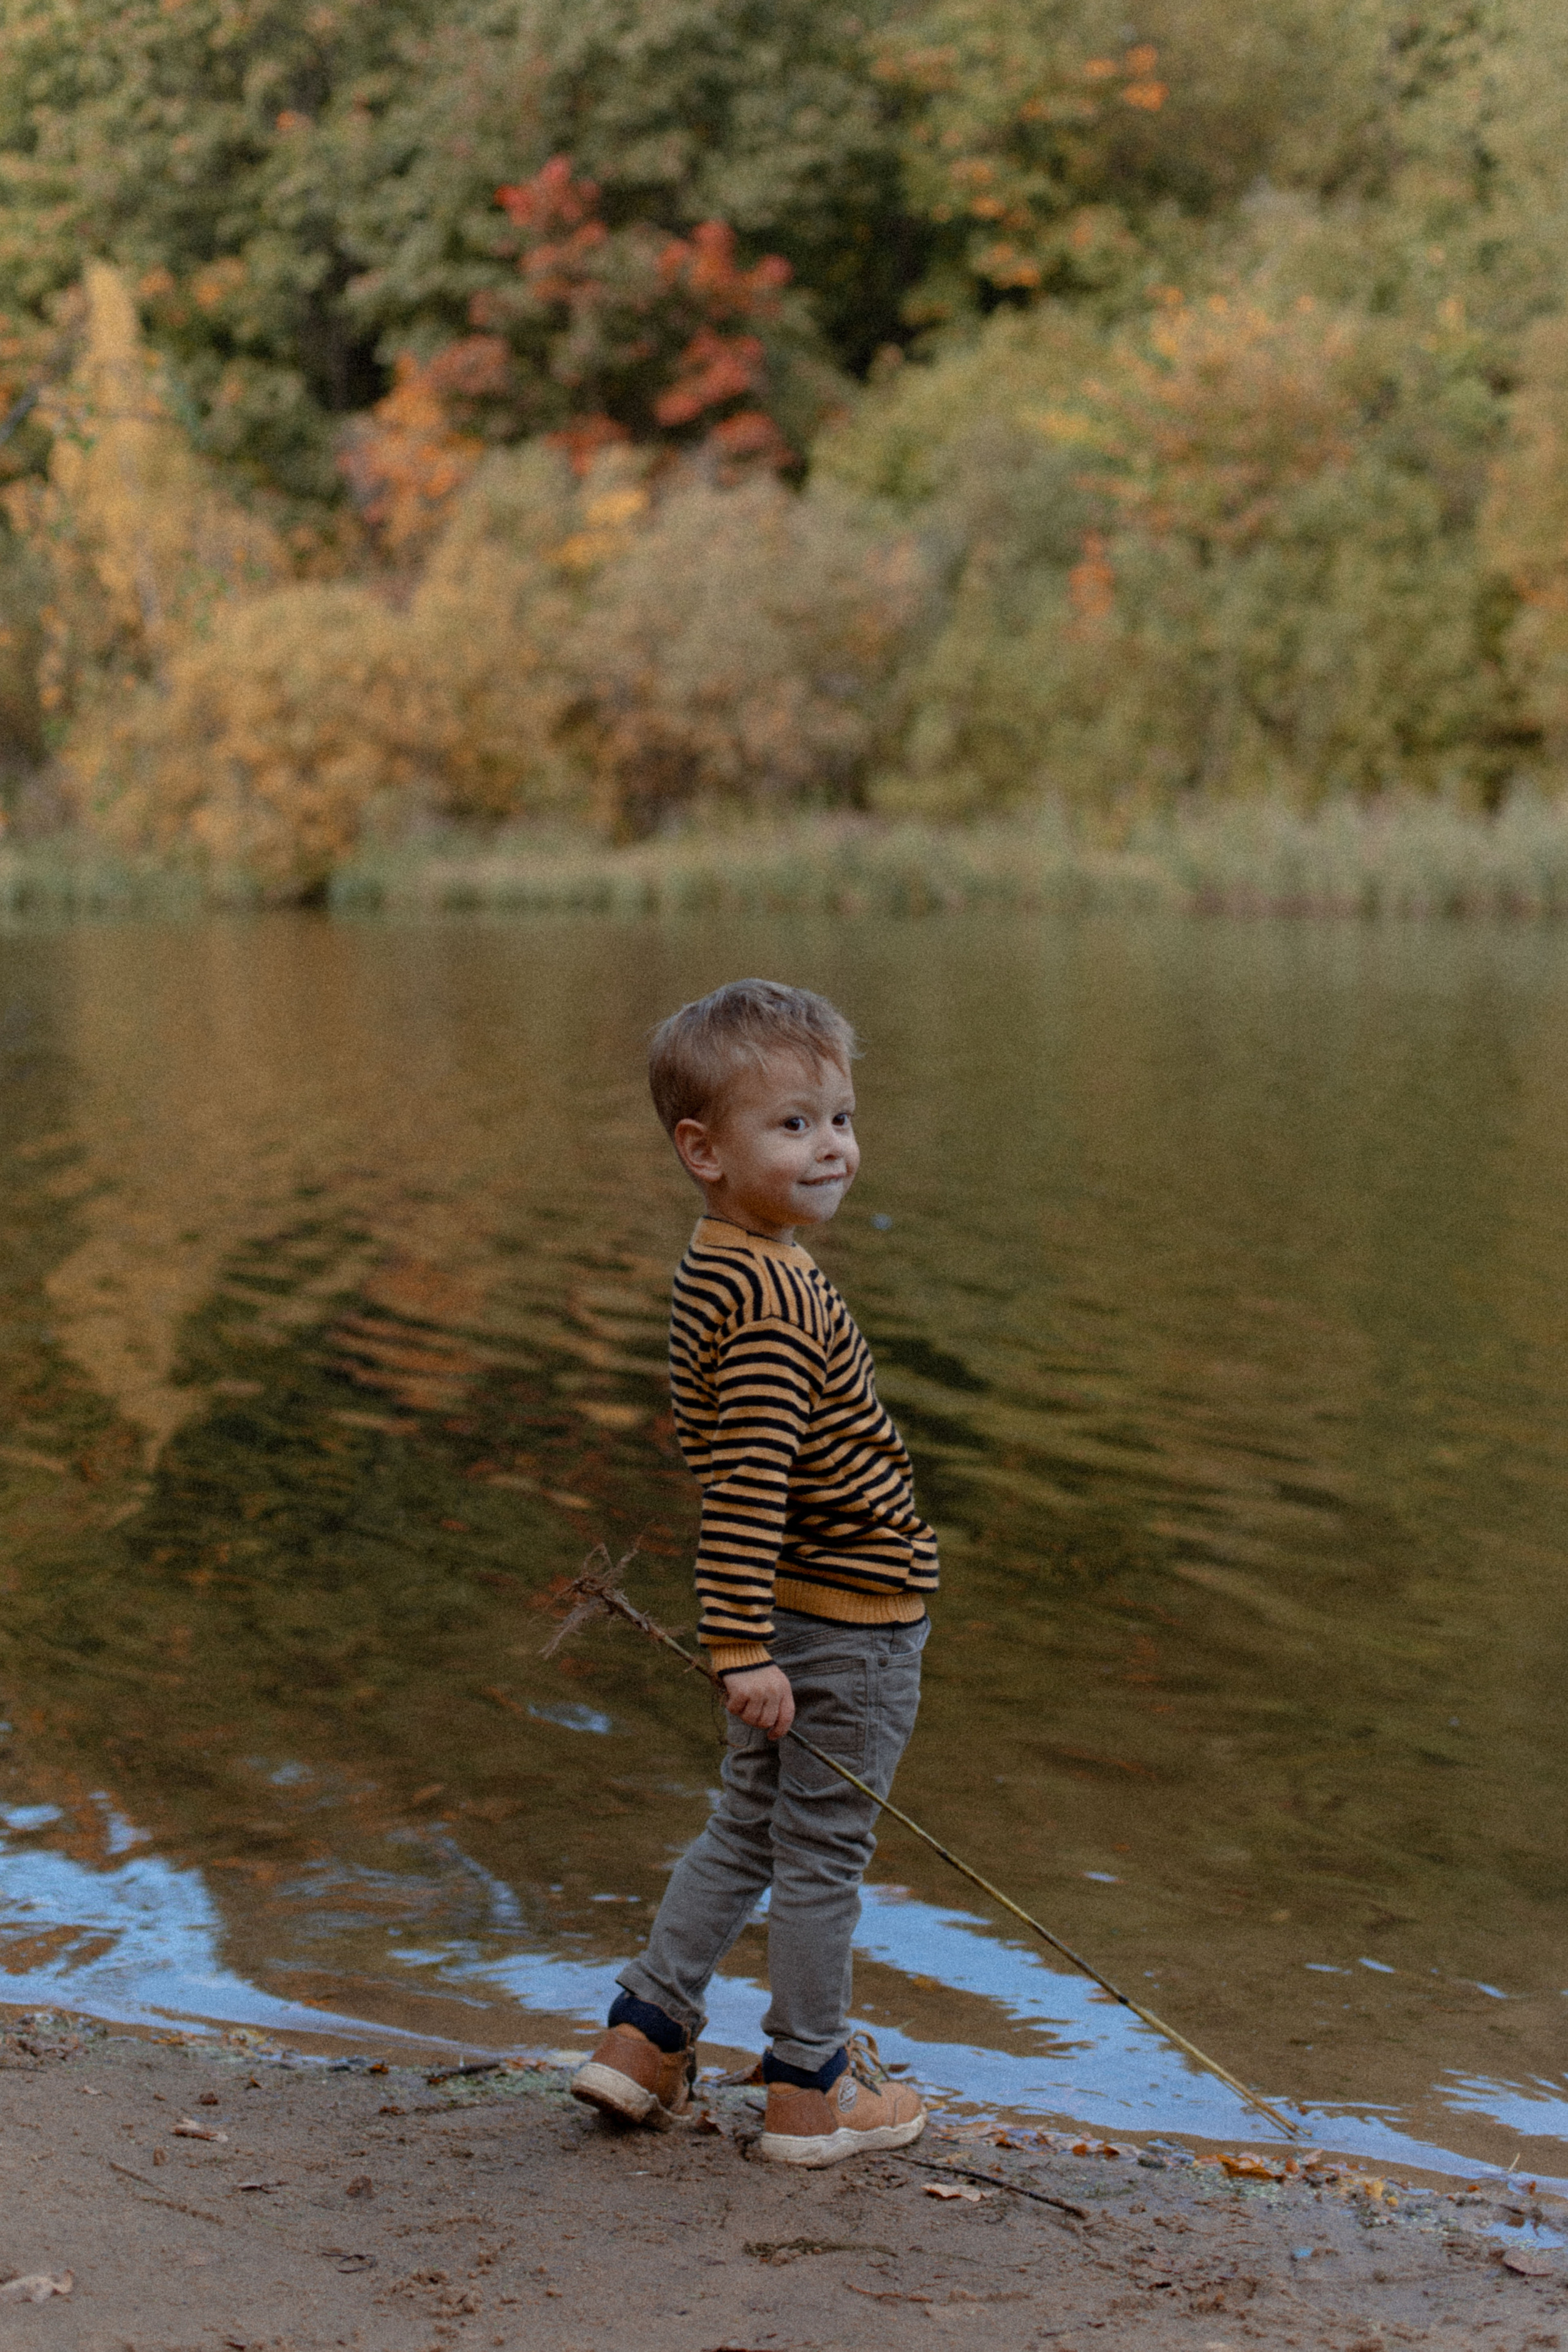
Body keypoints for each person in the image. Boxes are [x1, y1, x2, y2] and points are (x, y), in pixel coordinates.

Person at [571, 978, 938, 2166]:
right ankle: (810, 2085)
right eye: (791, 1125)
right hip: (844, 1621)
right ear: (703, 1151)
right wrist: (738, 1644)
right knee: (822, 1852)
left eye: (836, 1116)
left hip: (796, 1615)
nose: (829, 1145)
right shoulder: (780, 1295)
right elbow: (747, 1481)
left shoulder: (724, 1263)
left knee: (745, 1827)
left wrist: (751, 1636)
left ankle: (643, 2038)